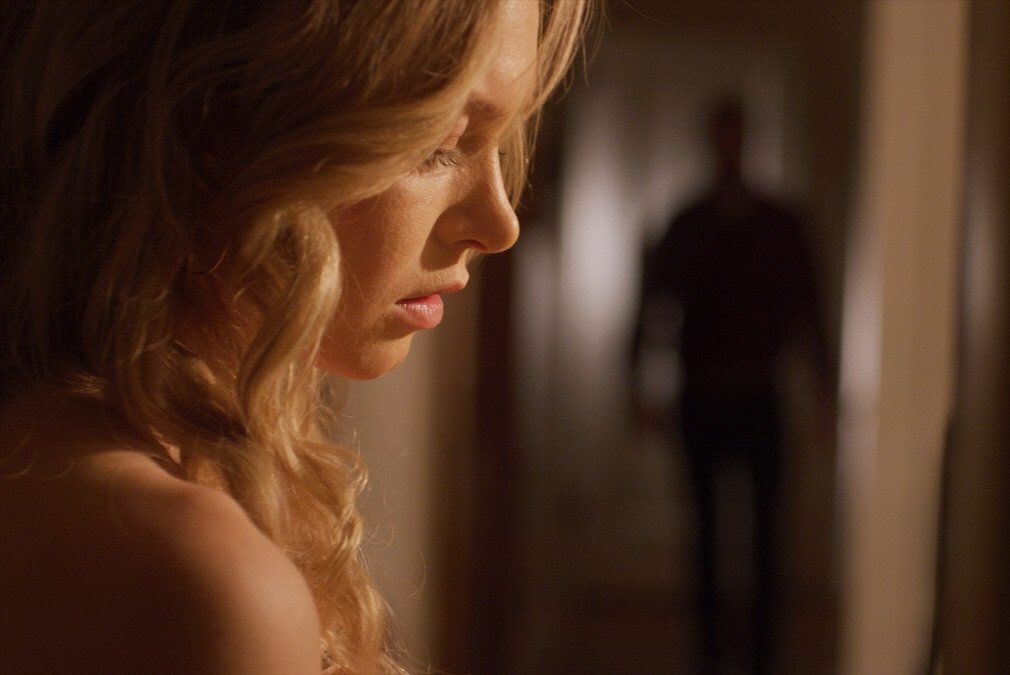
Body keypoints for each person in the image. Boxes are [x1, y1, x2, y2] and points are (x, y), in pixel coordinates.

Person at [0, 1, 591, 672]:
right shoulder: (196, 576)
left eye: (500, 143)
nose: (498, 224)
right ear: (207, 131)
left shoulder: (49, 448)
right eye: (437, 144)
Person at [632, 97, 833, 673]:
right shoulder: (689, 223)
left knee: (767, 538)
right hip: (701, 396)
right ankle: (709, 656)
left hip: (759, 397)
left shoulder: (780, 224)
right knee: (704, 536)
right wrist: (638, 384)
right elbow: (649, 307)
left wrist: (822, 394)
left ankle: (763, 657)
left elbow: (810, 313)